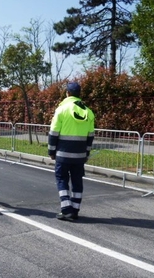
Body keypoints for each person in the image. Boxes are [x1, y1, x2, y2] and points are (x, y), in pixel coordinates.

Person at [48, 82, 95, 221]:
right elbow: (90, 136)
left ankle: (66, 209)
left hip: (63, 153)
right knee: (77, 181)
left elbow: (54, 133)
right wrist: (86, 153)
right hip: (79, 155)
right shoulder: (88, 111)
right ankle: (75, 210)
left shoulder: (62, 109)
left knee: (61, 179)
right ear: (79, 94)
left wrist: (51, 151)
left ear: (67, 93)